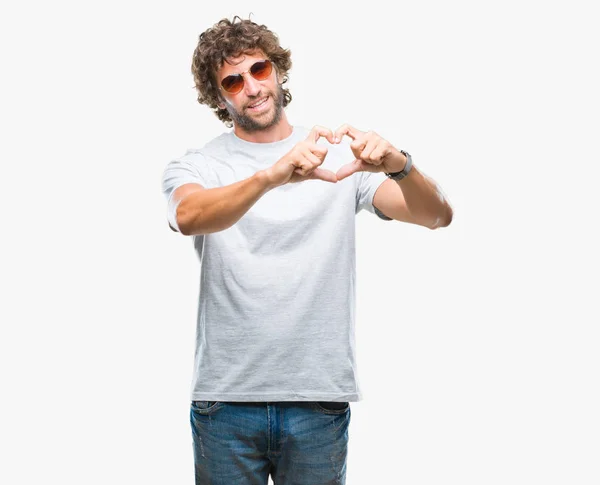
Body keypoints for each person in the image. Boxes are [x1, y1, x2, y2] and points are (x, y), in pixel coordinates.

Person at [161, 15, 453, 485]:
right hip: (226, 403)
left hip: (317, 400)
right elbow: (189, 215)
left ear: (277, 70)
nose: (251, 88)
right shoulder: (200, 164)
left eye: (258, 70)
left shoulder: (337, 155)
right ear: (220, 98)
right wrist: (272, 175)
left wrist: (400, 165)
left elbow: (436, 215)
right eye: (233, 81)